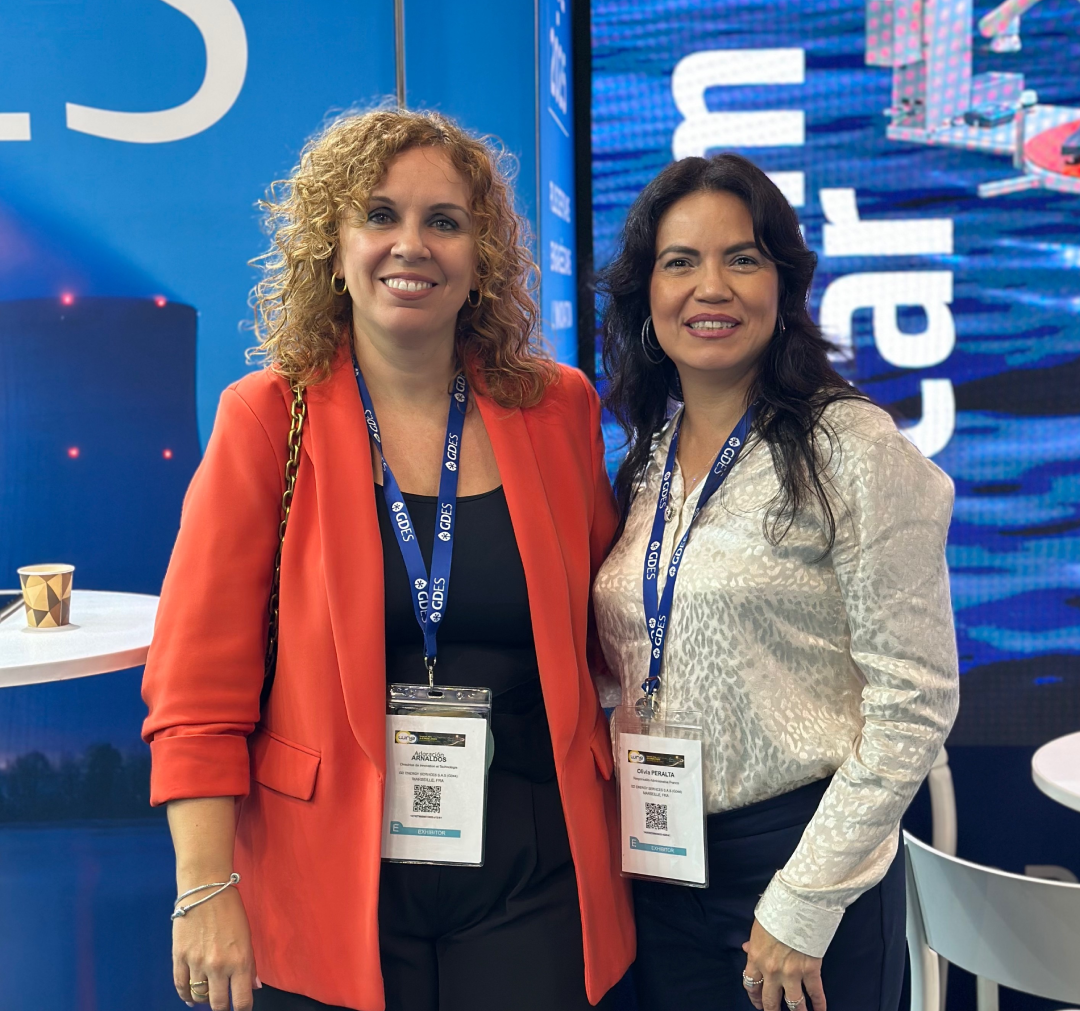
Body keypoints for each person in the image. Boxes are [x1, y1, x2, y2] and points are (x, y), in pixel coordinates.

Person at [142, 107, 633, 1011]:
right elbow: (197, 691)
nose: (412, 245)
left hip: (534, 866)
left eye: (444, 221)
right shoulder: (267, 419)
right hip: (325, 872)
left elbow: (618, 626)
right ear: (334, 250)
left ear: (482, 258)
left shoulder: (558, 410)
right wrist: (204, 888)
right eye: (379, 215)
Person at [592, 153, 958, 1011]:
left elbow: (916, 699)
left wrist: (805, 899)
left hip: (801, 864)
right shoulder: (646, 460)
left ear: (783, 285)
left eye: (742, 259)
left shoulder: (852, 450)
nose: (710, 288)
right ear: (647, 292)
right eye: (680, 262)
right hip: (660, 864)